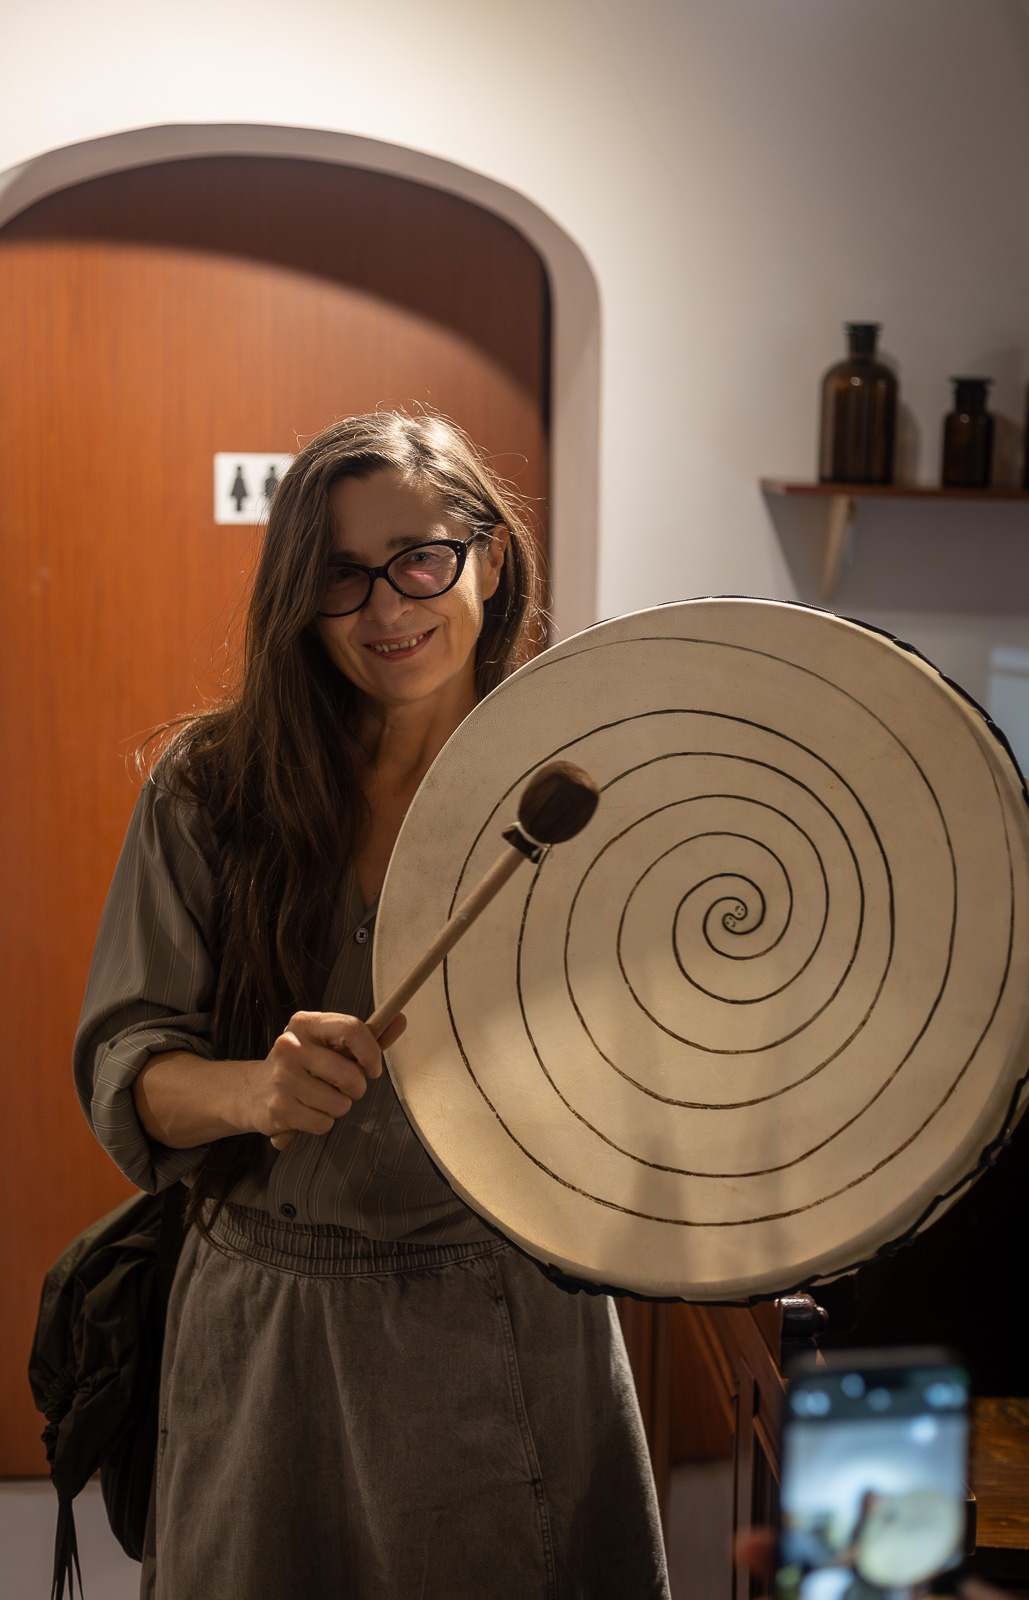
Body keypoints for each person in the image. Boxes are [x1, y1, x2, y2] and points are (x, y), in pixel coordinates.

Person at [74, 412, 670, 1600]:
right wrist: (255, 1089)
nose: (386, 608)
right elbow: (129, 1062)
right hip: (266, 1337)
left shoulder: (579, 792)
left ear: (487, 558)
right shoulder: (210, 787)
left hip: (503, 1319)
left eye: (419, 559)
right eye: (341, 576)